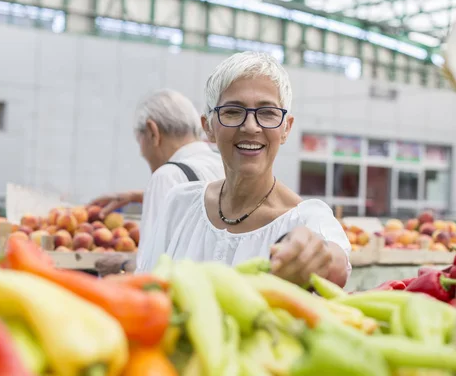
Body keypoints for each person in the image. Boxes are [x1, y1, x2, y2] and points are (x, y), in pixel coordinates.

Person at [136, 52, 351, 287]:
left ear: (286, 129)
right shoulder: (180, 204)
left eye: (268, 113)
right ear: (208, 127)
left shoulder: (305, 219)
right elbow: (146, 289)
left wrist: (318, 255)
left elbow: (336, 262)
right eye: (233, 112)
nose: (250, 127)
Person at [92, 89, 224, 275]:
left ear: (153, 132)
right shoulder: (223, 164)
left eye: (140, 143)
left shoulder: (168, 176)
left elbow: (151, 271)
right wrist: (140, 196)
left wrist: (122, 265)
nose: (141, 153)